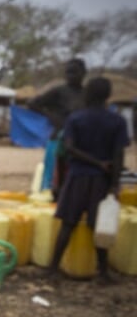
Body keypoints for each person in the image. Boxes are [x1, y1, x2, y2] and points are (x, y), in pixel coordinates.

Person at [47, 77, 129, 283]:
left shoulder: (76, 118)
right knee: (99, 225)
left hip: (77, 177)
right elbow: (119, 155)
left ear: (87, 94)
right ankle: (103, 272)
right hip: (101, 180)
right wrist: (114, 182)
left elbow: (69, 148)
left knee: (68, 223)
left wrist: (89, 164)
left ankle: (53, 269)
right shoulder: (117, 121)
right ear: (108, 96)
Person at [29, 58, 86, 199]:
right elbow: (33, 104)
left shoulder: (87, 94)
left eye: (74, 72)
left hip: (80, 143)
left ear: (84, 73)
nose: (70, 76)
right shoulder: (59, 92)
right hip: (58, 139)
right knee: (52, 181)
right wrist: (50, 116)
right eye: (68, 72)